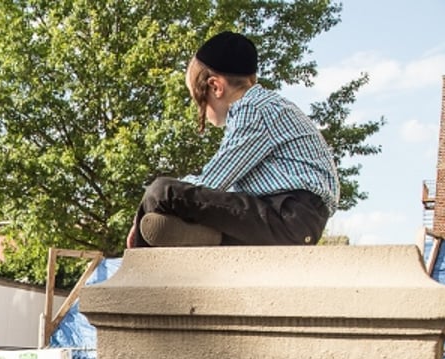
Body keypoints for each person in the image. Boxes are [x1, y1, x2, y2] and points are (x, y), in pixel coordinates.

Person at [127, 31, 340, 249]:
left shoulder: (253, 107)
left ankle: (137, 273)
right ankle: (207, 238)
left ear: (215, 87)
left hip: (286, 216)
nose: (199, 110)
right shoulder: (272, 105)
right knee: (161, 221)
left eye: (197, 100)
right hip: (285, 219)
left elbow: (212, 182)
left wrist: (146, 208)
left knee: (161, 191)